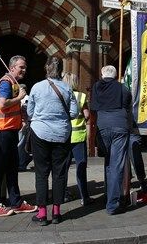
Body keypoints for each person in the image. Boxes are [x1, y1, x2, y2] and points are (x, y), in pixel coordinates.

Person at [27, 57, 78, 226]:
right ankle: (56, 213)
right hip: (62, 134)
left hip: (40, 132)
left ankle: (42, 214)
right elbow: (74, 113)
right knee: (59, 173)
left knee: (41, 173)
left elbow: (30, 112)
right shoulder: (67, 88)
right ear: (61, 70)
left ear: (46, 68)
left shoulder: (36, 87)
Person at [0, 55, 37, 216]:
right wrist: (20, 98)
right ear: (12, 67)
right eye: (21, 67)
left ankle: (16, 202)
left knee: (12, 166)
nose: (24, 70)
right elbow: (2, 104)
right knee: (0, 166)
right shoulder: (6, 82)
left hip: (9, 129)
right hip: (2, 129)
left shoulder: (11, 83)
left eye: (25, 67)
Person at [90, 65, 131, 215]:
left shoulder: (96, 87)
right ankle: (113, 204)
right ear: (115, 75)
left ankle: (109, 196)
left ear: (102, 74)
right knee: (116, 165)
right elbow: (128, 103)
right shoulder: (122, 88)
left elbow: (93, 106)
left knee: (109, 163)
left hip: (103, 126)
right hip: (119, 126)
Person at [62, 72, 93, 206]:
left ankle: (62, 195)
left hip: (64, 137)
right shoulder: (81, 96)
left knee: (63, 168)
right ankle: (84, 197)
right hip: (78, 137)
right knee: (81, 167)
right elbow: (87, 115)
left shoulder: (60, 95)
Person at [17, 84, 32, 171]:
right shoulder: (19, 98)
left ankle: (21, 164)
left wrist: (25, 123)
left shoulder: (27, 99)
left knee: (20, 145)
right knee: (20, 144)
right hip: (19, 124)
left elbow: (28, 112)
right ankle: (25, 159)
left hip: (23, 124)